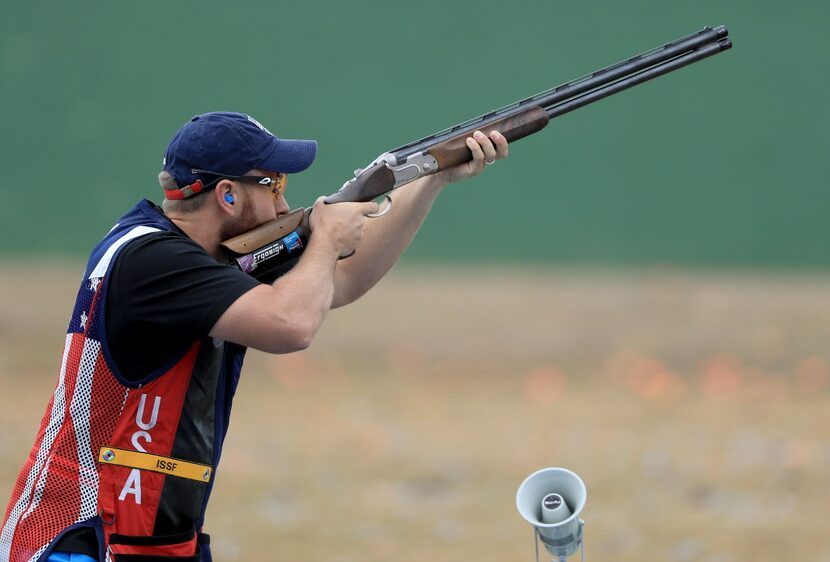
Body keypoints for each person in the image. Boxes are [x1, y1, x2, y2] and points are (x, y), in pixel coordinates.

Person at [0, 111, 508, 562]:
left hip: (150, 534)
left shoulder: (200, 258)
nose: (284, 200)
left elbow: (342, 283)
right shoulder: (152, 261)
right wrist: (325, 239)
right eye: (274, 184)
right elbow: (292, 324)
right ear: (227, 194)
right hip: (79, 536)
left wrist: (428, 182)